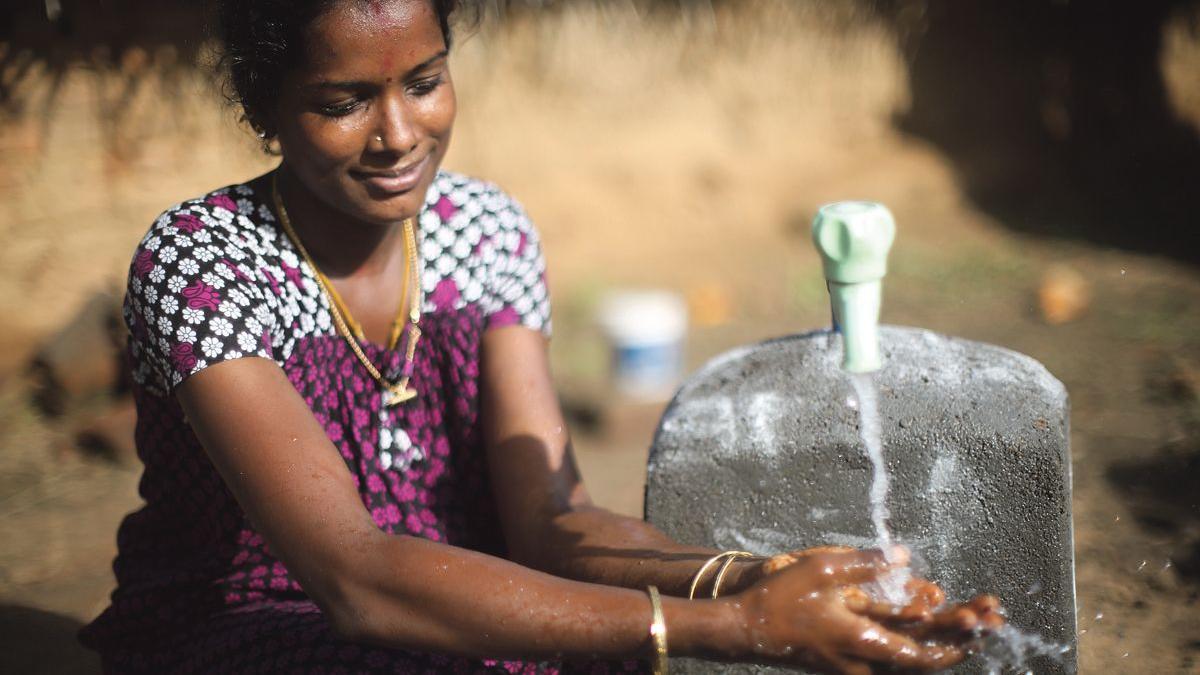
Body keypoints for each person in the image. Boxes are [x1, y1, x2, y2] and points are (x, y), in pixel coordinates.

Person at [79, 1, 1003, 672]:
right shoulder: (204, 265)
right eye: (344, 100)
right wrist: (732, 627)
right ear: (264, 107)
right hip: (255, 626)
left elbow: (551, 519)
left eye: (426, 82)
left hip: (478, 604)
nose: (399, 133)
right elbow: (356, 580)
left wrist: (756, 580)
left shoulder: (486, 232)